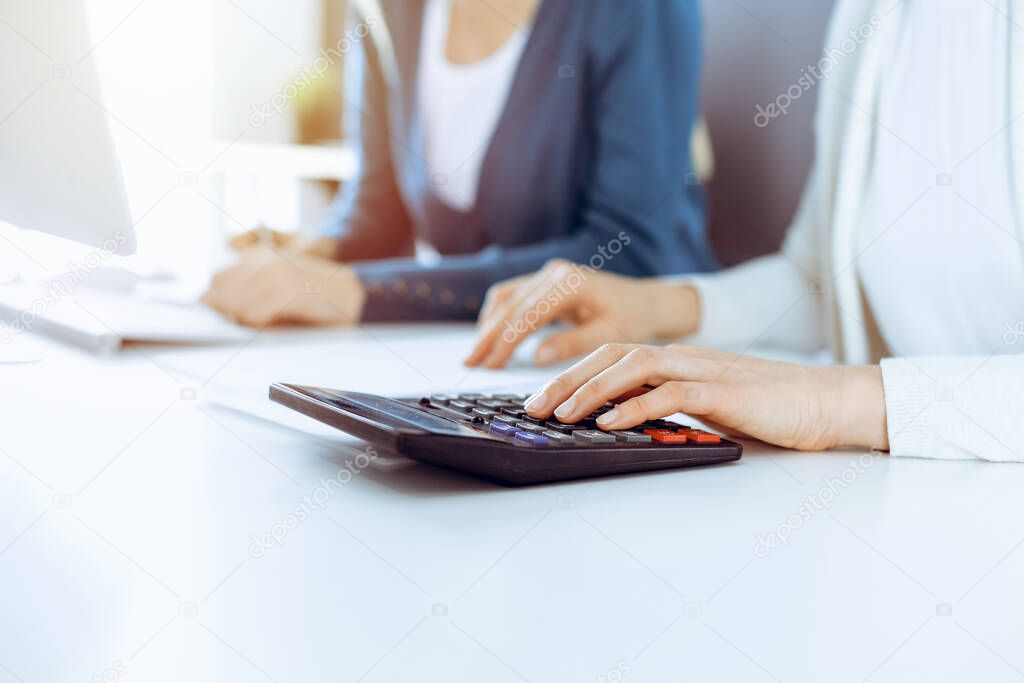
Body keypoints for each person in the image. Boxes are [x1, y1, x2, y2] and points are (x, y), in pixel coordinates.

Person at [466, 0, 1024, 461]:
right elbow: (820, 281)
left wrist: (841, 401)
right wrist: (662, 308)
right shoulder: (874, 15)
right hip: (915, 490)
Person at [203, 0, 715, 327]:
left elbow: (629, 254)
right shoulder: (386, 12)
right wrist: (319, 252)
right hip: (477, 365)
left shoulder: (639, 9)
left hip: (637, 368)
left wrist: (367, 292)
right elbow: (379, 207)